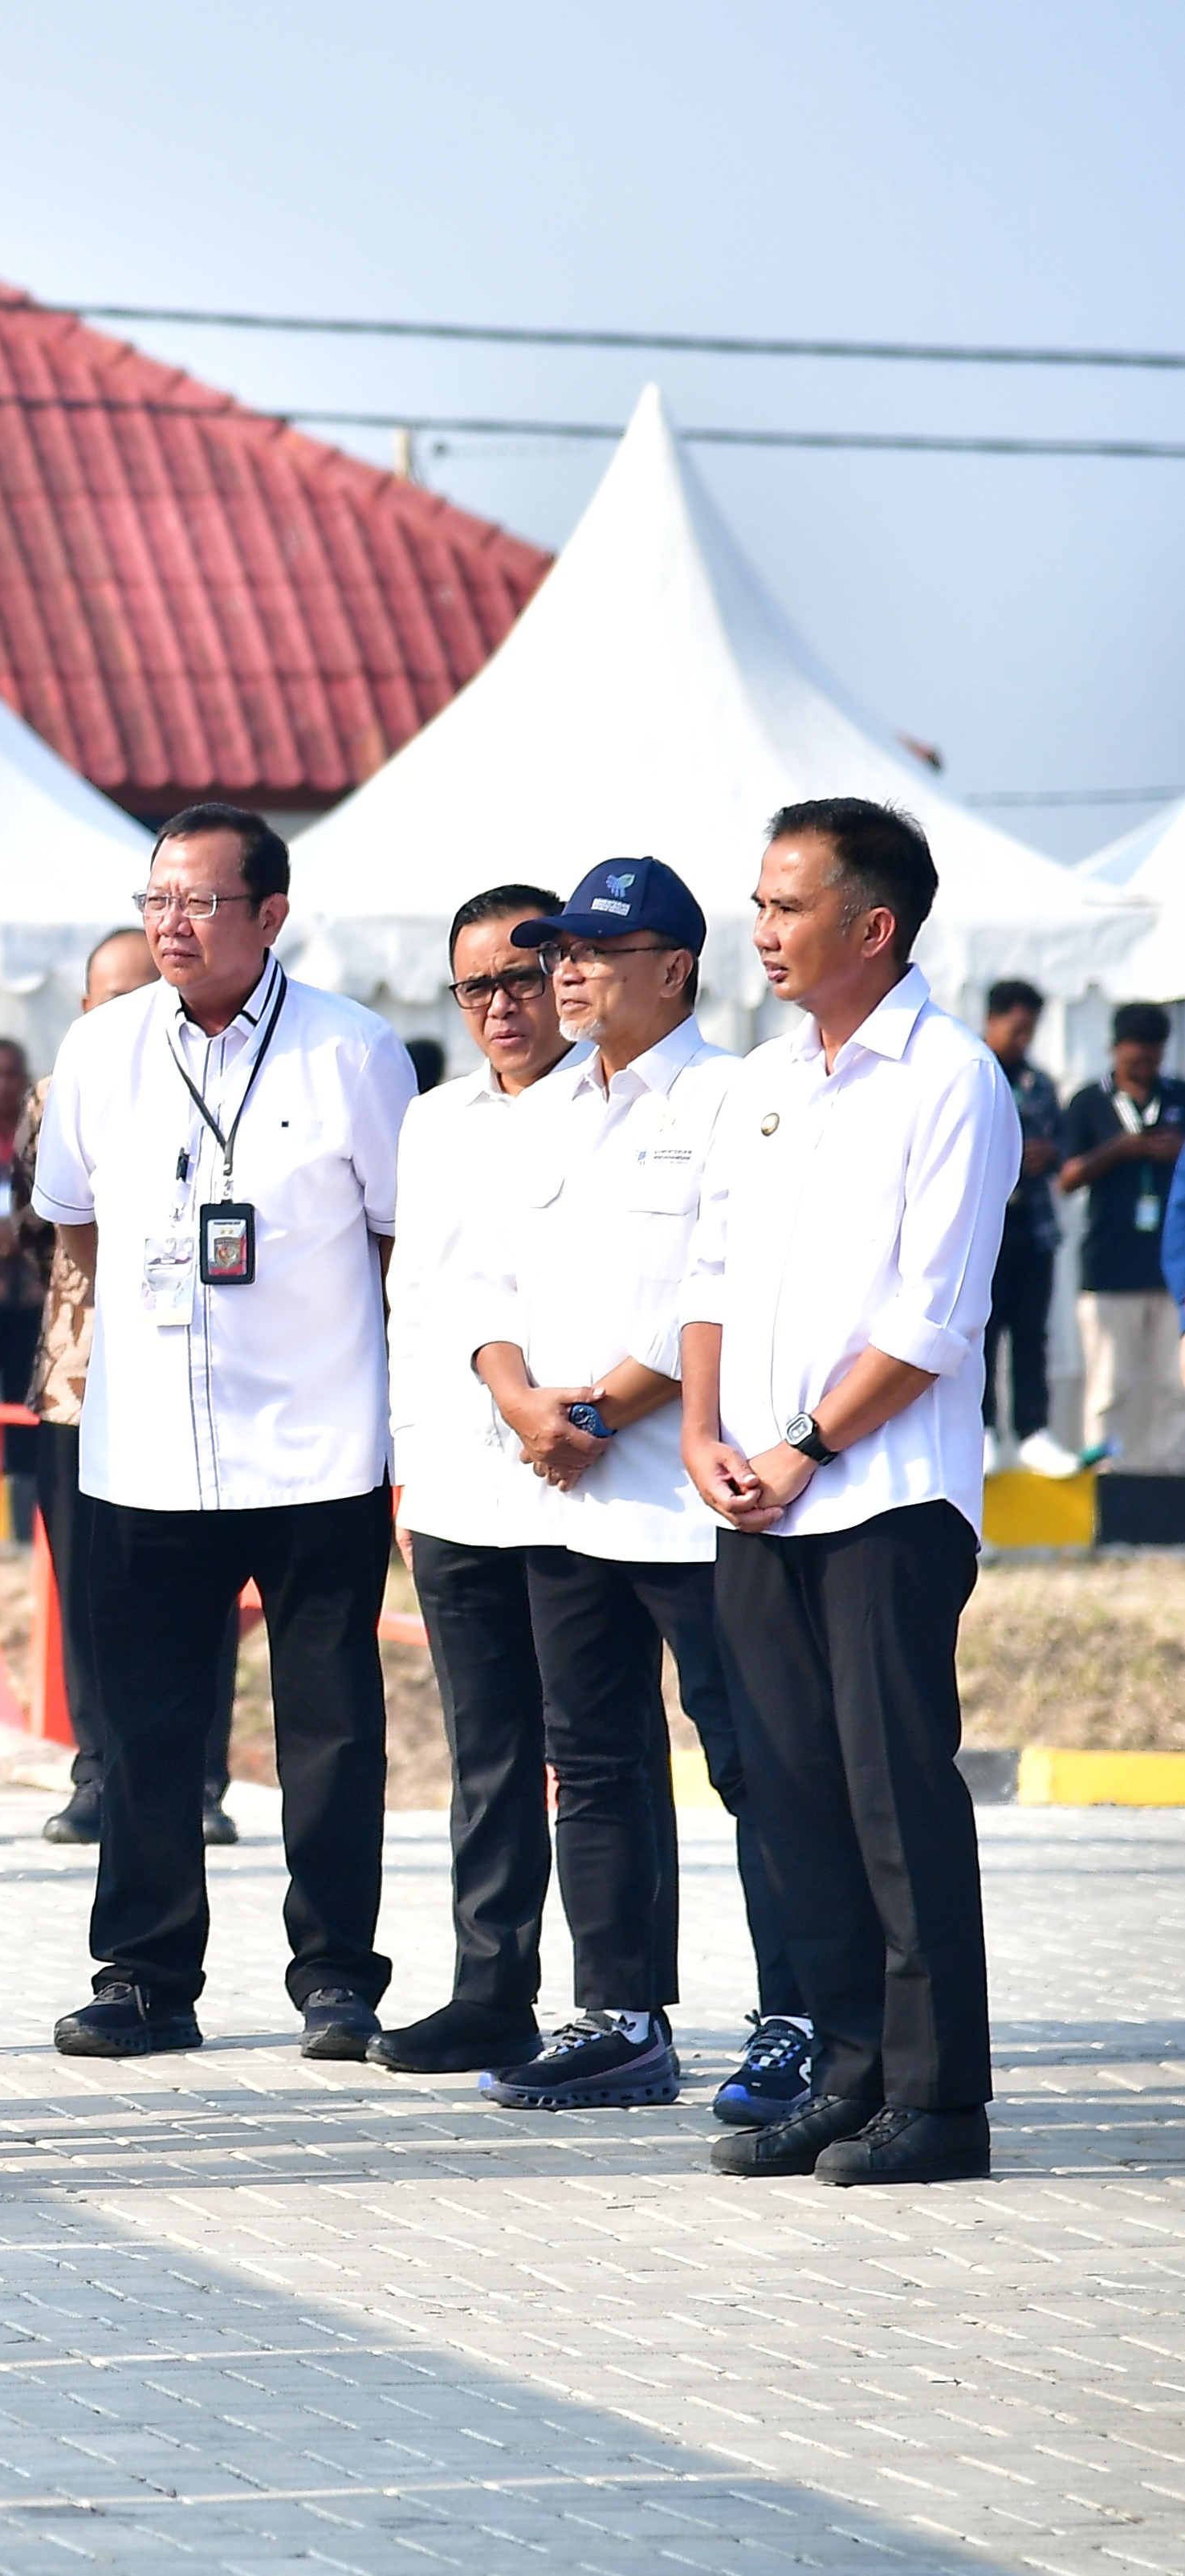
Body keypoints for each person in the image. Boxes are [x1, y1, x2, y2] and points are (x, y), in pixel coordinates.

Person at [32, 803, 416, 2062]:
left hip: (316, 1443)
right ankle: (145, 1977)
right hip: (144, 1451)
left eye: (199, 902)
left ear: (269, 914)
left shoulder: (353, 1053)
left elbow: (393, 1242)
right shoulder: (98, 1049)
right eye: (157, 901)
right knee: (144, 1730)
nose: (173, 925)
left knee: (329, 1725)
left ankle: (337, 1977)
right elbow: (72, 1223)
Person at [683, 799, 1010, 2187]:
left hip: (879, 1500)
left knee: (893, 1797)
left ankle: (938, 2104)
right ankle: (851, 2070)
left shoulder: (948, 1079)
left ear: (871, 926)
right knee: (794, 1794)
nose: (760, 932)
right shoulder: (761, 1080)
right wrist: (703, 1433)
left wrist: (806, 1443)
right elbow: (703, 1278)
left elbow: (932, 1316)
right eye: (757, 905)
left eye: (787, 907)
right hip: (754, 1498)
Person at [454, 857, 811, 2122]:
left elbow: (720, 1290)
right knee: (593, 1763)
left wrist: (598, 1407)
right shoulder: (548, 1107)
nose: (566, 970)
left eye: (598, 951)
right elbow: (487, 1290)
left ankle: (799, 2014)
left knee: (754, 1761)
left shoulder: (734, 1096)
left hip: (694, 1501)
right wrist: (520, 1400)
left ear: (675, 967)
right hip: (567, 1494)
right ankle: (619, 2016)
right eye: (559, 951)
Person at [370, 884, 576, 2082]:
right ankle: (490, 1990)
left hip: (574, 1470)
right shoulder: (435, 1118)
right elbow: (419, 1303)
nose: (501, 1004)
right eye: (476, 986)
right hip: (450, 1481)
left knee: (594, 1756)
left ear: (569, 973)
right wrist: (409, 1471)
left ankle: (621, 2000)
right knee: (487, 1749)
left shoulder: (610, 1105)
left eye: (521, 976)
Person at [30, 928, 165, 1848]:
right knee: (87, 1594)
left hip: (185, 1388)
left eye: (143, 994)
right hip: (78, 1382)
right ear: (83, 1011)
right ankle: (94, 1769)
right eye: (109, 998)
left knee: (178, 1598)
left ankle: (192, 1778)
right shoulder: (62, 1091)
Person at [1060, 1002, 1185, 1471]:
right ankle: (1105, 1475)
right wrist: (1118, 1149)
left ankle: (1171, 1474)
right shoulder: (1090, 1101)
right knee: (1110, 1384)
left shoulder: (1178, 1097)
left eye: (1153, 1060)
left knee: (1176, 1384)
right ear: (1114, 1050)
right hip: (1109, 1268)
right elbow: (1066, 1179)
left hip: (1171, 1270)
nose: (1145, 1069)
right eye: (1135, 1060)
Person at [979, 981, 1073, 1474]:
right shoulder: (972, 1072)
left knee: (1032, 1334)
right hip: (984, 1231)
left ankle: (1034, 1430)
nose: (1023, 1040)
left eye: (1030, 1032)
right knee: (984, 1334)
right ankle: (985, 1428)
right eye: (1017, 1030)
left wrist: (1047, 1154)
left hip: (1033, 1230)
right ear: (992, 1020)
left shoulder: (1039, 1082)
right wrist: (1008, 1157)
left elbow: (1061, 1144)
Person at [0, 1037, 45, 1409]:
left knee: (26, 1400)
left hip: (32, 1293)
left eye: (11, 1075)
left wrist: (20, 1235)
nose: (3, 1085)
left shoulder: (41, 1141)